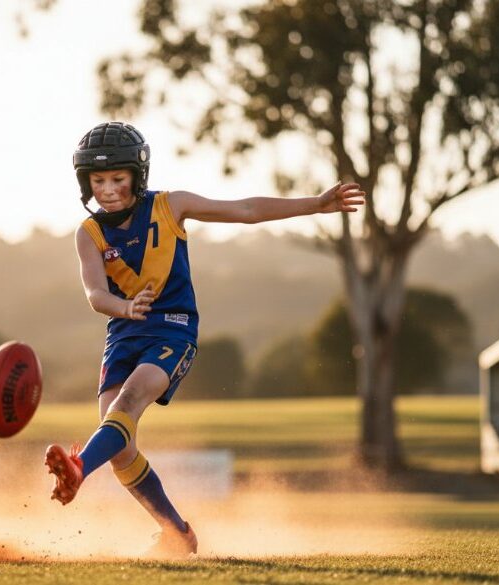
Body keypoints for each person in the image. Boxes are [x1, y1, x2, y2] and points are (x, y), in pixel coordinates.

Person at [45, 121, 365, 558]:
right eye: (98, 181)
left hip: (173, 327)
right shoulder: (89, 234)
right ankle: (177, 533)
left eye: (118, 178)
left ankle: (79, 468)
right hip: (123, 333)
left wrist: (316, 204)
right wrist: (125, 309)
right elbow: (95, 294)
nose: (109, 189)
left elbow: (246, 210)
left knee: (127, 405)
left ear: (137, 176)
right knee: (121, 446)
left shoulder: (171, 206)